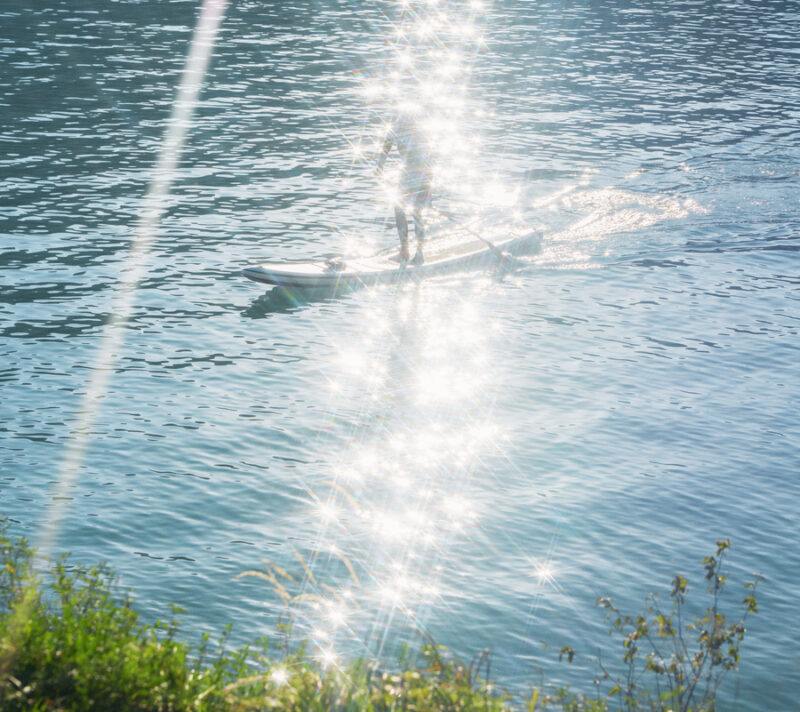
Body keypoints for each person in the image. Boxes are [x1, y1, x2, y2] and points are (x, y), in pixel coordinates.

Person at [375, 111, 432, 265]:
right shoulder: (401, 130)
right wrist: (379, 169)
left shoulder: (417, 132)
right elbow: (384, 151)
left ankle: (415, 254)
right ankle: (408, 252)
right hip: (411, 174)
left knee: (414, 212)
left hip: (419, 174)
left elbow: (384, 152)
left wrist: (379, 168)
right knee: (406, 210)